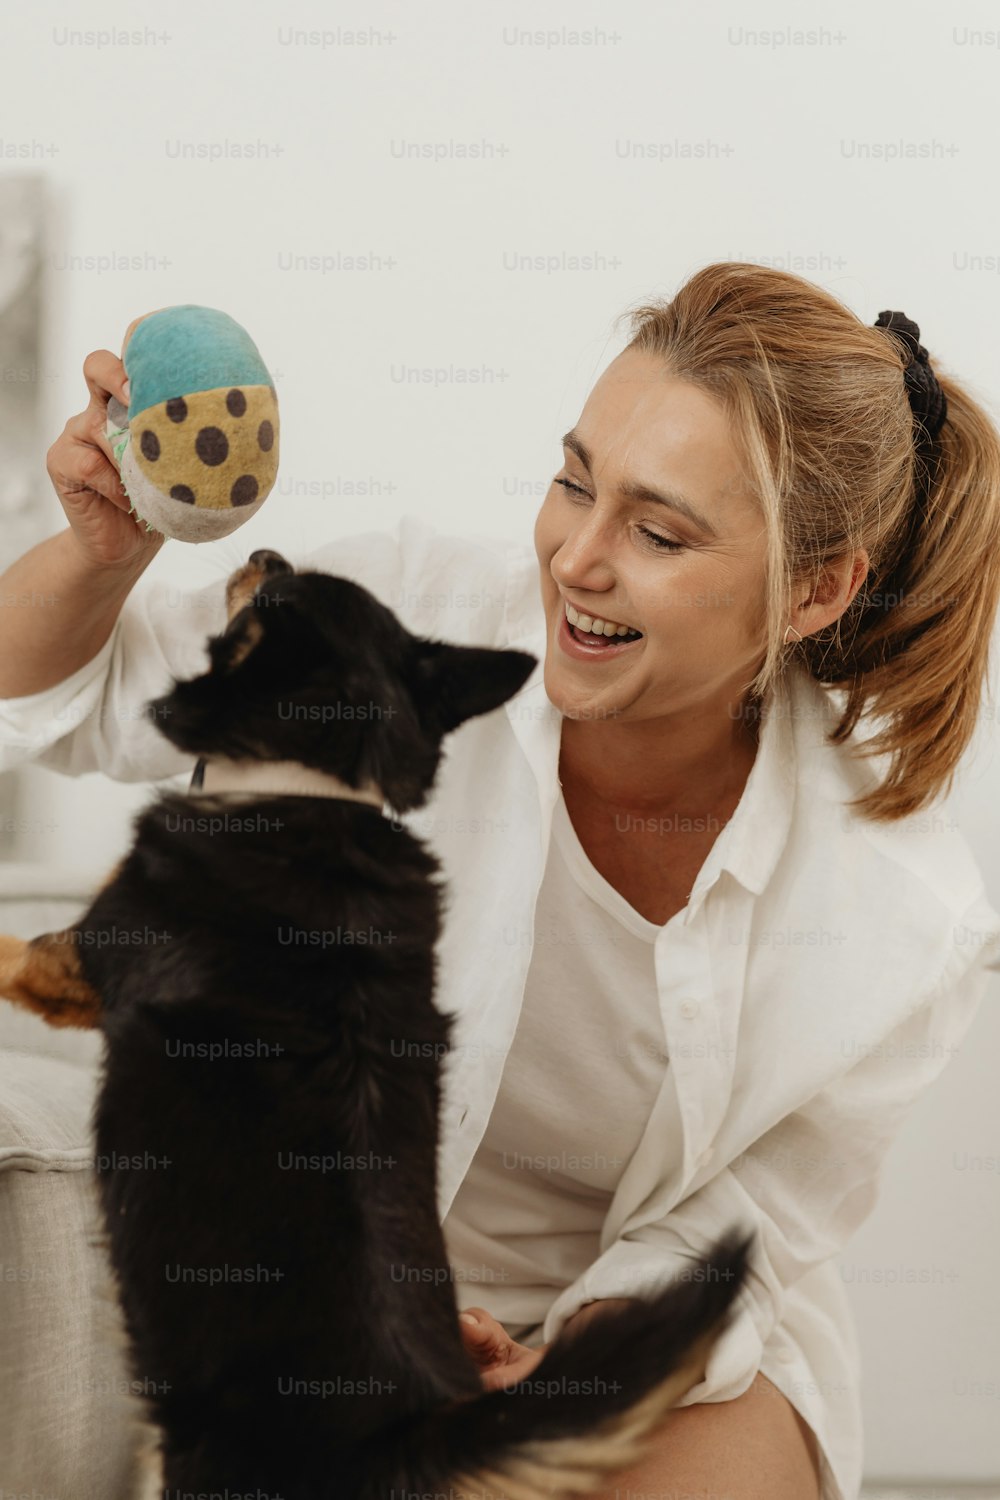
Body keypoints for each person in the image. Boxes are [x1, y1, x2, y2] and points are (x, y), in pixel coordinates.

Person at [2, 262, 1000, 1500]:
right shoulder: (395, 619)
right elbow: (59, 704)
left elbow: (746, 1226)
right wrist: (101, 558)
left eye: (657, 530)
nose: (575, 559)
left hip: (647, 1347)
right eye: (573, 481)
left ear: (814, 590)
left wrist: (559, 1365)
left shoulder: (906, 919)